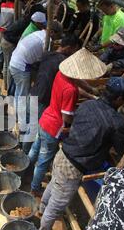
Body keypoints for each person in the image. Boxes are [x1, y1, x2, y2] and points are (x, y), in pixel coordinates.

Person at [39, 77, 124, 230]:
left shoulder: (87, 105)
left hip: (63, 154)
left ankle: (42, 210)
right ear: (119, 99)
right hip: (74, 166)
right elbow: (122, 149)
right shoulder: (117, 122)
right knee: (58, 203)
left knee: (54, 184)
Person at [29, 48, 105, 197]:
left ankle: (26, 169)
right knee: (44, 160)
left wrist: (91, 94)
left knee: (36, 147)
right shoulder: (71, 90)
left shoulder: (61, 74)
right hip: (53, 126)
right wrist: (78, 120)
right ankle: (34, 186)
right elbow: (66, 117)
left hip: (45, 117)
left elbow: (77, 86)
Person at [9, 21, 62, 144]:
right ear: (52, 32)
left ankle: (18, 117)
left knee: (19, 92)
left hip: (16, 62)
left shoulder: (39, 33)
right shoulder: (45, 42)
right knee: (22, 94)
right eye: (58, 34)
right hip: (21, 66)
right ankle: (21, 123)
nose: (59, 38)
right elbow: (43, 62)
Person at [30, 34, 83, 117]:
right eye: (74, 51)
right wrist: (91, 91)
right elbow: (75, 81)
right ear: (68, 48)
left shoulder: (47, 55)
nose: (74, 54)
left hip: (34, 93)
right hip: (42, 99)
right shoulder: (64, 63)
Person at [0, 4, 45, 92]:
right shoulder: (29, 25)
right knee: (10, 68)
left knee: (7, 65)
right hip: (9, 42)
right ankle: (9, 89)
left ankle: (7, 87)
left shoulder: (29, 19)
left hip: (7, 39)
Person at [0, 0, 15, 83]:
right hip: (7, 34)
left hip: (0, 30)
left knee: (0, 52)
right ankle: (7, 83)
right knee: (7, 61)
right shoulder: (15, 7)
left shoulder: (2, 5)